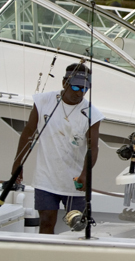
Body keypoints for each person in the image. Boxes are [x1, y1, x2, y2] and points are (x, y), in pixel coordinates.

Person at [11, 63, 104, 234]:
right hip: (45, 179)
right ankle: (44, 259)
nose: (80, 93)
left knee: (77, 226)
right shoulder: (43, 101)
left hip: (74, 181)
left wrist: (85, 174)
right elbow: (28, 133)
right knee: (46, 221)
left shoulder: (93, 114)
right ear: (64, 83)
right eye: (75, 86)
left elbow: (94, 148)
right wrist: (18, 164)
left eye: (85, 88)